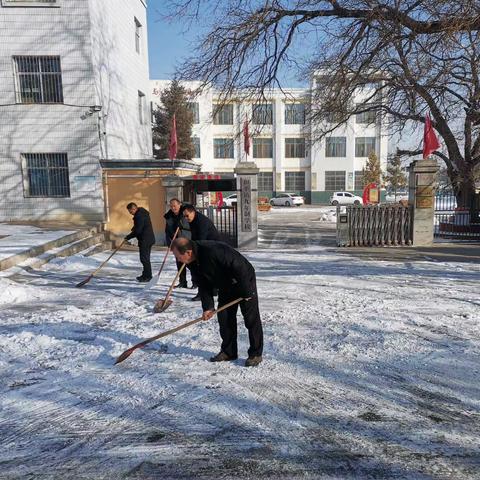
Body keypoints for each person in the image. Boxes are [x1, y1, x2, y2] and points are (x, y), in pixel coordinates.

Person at [171, 238, 263, 367]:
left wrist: (247, 292)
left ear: (188, 252)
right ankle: (228, 351)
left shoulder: (213, 250)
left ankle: (255, 353)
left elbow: (239, 267)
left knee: (250, 318)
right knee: (224, 317)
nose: (178, 260)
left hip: (243, 279)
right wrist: (208, 307)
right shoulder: (192, 262)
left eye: (178, 256)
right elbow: (203, 284)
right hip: (224, 285)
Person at [182, 204, 221, 301]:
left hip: (212, 247)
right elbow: (194, 236)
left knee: (201, 269)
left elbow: (201, 239)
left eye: (187, 215)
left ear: (193, 212)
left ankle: (203, 293)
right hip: (205, 245)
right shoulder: (193, 220)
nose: (186, 218)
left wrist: (192, 250)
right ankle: (214, 290)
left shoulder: (201, 222)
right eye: (184, 216)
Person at [125, 202, 155, 282]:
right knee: (145, 258)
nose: (130, 213)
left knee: (144, 259)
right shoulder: (142, 213)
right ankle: (145, 274)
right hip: (149, 239)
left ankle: (148, 276)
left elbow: (138, 230)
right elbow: (140, 225)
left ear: (134, 209)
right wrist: (134, 227)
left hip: (145, 239)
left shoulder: (139, 216)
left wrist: (128, 237)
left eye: (130, 211)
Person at [164, 198, 190, 288]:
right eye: (171, 206)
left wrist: (182, 225)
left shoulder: (185, 213)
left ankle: (196, 282)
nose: (173, 208)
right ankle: (183, 282)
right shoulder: (169, 216)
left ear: (179, 204)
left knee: (191, 263)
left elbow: (190, 227)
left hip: (187, 241)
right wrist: (169, 244)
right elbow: (167, 231)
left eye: (175, 206)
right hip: (176, 243)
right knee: (179, 263)